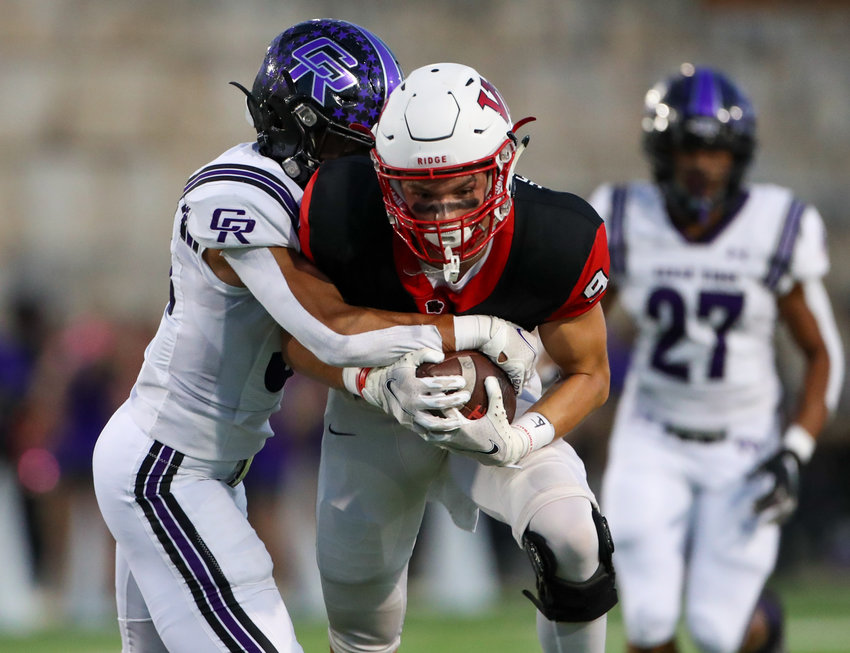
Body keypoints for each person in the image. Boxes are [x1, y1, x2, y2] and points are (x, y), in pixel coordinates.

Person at [91, 23, 535, 653]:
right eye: (349, 144)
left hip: (209, 465)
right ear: (295, 127)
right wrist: (476, 331)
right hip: (167, 466)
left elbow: (308, 342)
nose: (364, 165)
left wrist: (387, 383)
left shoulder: (316, 201)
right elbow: (330, 331)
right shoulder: (238, 190)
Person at [283, 62, 618, 653]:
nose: (446, 218)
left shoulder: (557, 235)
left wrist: (522, 438)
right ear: (384, 180)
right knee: (361, 622)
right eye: (422, 194)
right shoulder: (338, 208)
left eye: (465, 190)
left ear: (504, 167)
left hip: (498, 413)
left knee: (575, 536)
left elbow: (591, 374)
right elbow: (297, 337)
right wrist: (375, 382)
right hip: (375, 414)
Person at [589, 63, 844, 653]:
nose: (703, 166)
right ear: (662, 151)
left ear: (741, 156)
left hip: (743, 442)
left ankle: (762, 626)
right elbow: (581, 323)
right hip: (651, 434)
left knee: (714, 630)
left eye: (719, 153)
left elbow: (821, 352)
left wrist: (794, 450)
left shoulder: (775, 224)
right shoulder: (627, 215)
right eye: (689, 150)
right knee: (648, 622)